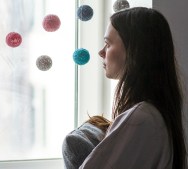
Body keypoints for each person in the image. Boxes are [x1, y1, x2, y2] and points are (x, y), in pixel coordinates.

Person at [71, 7, 187, 169]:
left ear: (135, 50)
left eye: (107, 44)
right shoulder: (153, 114)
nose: (101, 52)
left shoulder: (141, 117)